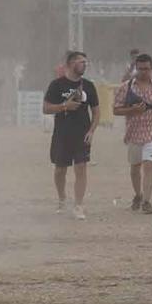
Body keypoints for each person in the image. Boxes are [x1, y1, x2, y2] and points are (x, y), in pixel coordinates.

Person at [113, 53, 152, 214]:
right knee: (135, 167)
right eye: (140, 69)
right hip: (133, 133)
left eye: (146, 69)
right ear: (135, 69)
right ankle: (138, 194)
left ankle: (147, 200)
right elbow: (116, 110)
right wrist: (132, 110)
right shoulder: (126, 87)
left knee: (148, 165)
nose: (143, 72)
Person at [42, 50, 98, 220]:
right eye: (81, 62)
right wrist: (64, 106)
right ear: (70, 64)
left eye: (85, 62)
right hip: (62, 133)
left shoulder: (88, 85)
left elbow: (96, 111)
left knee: (81, 168)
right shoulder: (57, 85)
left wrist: (91, 131)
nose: (84, 65)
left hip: (82, 134)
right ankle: (61, 199)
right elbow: (46, 108)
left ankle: (79, 205)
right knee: (60, 169)